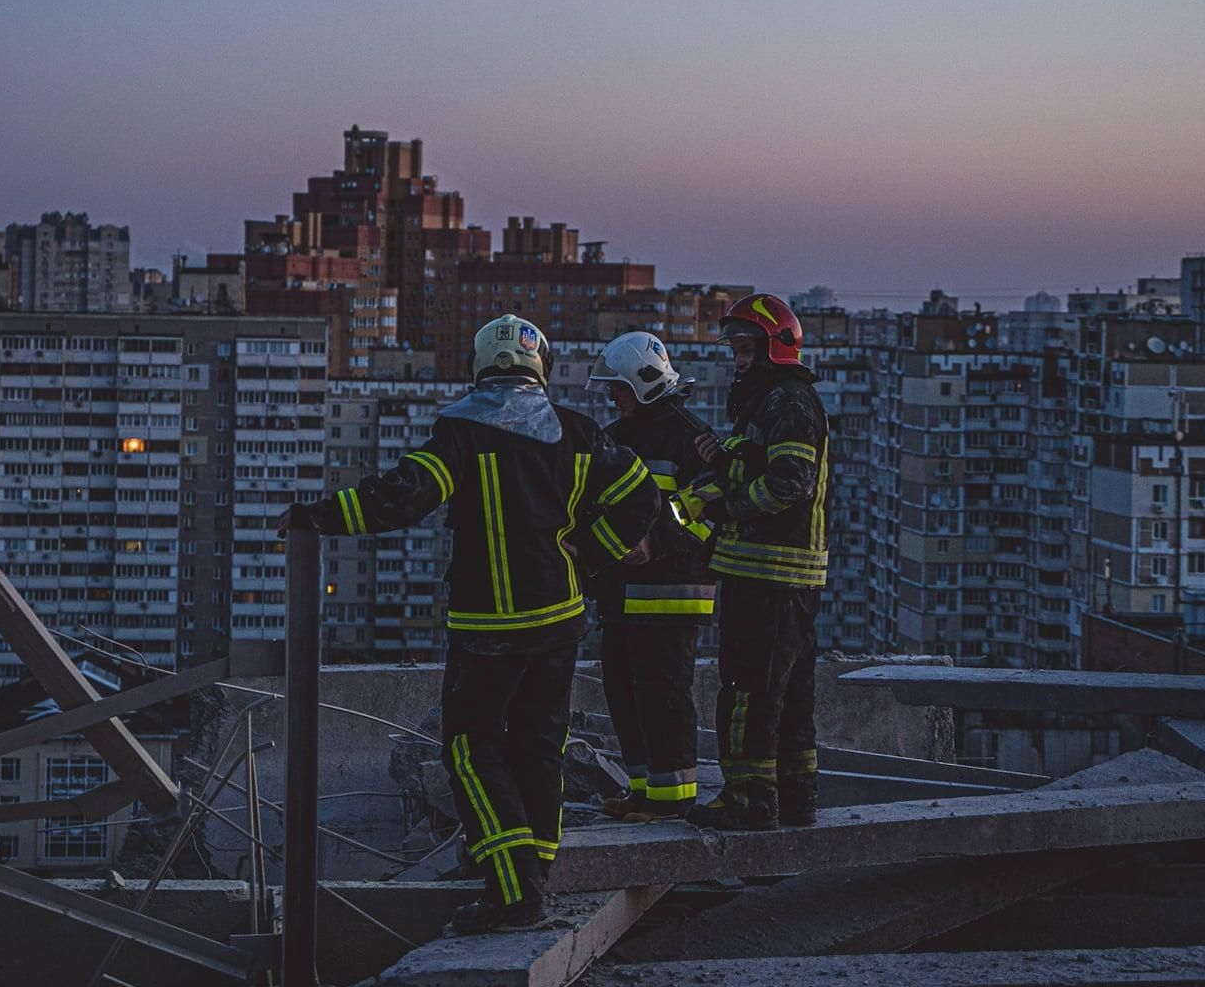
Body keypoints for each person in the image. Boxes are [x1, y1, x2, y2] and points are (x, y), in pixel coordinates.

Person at [281, 314, 660, 932]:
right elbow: (641, 494)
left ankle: (514, 894)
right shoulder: (579, 431)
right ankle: (534, 872)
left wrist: (315, 515)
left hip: (489, 625)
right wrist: (587, 556)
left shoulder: (460, 430)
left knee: (471, 747)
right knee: (539, 747)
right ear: (541, 366)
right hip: (561, 620)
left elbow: (401, 497)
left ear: (481, 365)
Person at [677, 293, 830, 830]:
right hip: (777, 576)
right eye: (736, 352)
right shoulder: (770, 402)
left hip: (770, 573)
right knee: (788, 697)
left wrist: (725, 508)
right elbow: (761, 469)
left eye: (746, 351)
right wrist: (722, 463)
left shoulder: (787, 401)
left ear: (774, 348)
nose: (739, 362)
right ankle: (795, 798)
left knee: (749, 691)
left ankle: (750, 800)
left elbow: (790, 482)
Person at [585, 331, 716, 821]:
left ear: (642, 385)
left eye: (618, 390)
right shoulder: (617, 439)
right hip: (620, 593)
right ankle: (644, 792)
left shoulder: (691, 436)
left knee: (663, 695)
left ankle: (673, 800)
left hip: (670, 593)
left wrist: (657, 541)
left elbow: (709, 510)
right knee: (624, 689)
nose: (612, 399)